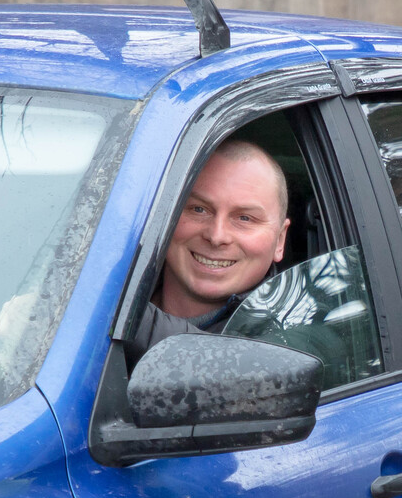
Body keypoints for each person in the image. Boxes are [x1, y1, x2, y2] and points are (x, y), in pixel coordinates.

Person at [131, 136, 380, 385]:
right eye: (199, 209)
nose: (217, 236)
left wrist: (112, 309)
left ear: (280, 239)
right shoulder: (122, 276)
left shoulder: (294, 339)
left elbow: (219, 369)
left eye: (245, 218)